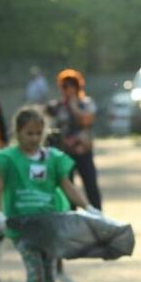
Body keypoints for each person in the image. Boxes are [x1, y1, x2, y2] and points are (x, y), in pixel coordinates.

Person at [0, 106, 89, 282]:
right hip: (23, 228)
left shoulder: (53, 159)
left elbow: (67, 186)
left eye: (38, 133)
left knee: (50, 277)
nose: (34, 138)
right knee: (35, 275)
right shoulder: (8, 159)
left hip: (50, 226)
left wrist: (88, 206)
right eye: (28, 133)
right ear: (17, 133)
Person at [46, 69, 102, 210]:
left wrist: (73, 105)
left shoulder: (86, 103)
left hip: (83, 151)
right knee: (68, 188)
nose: (68, 89)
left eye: (72, 85)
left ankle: (97, 216)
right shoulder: (56, 107)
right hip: (66, 153)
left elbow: (86, 121)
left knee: (91, 186)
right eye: (65, 86)